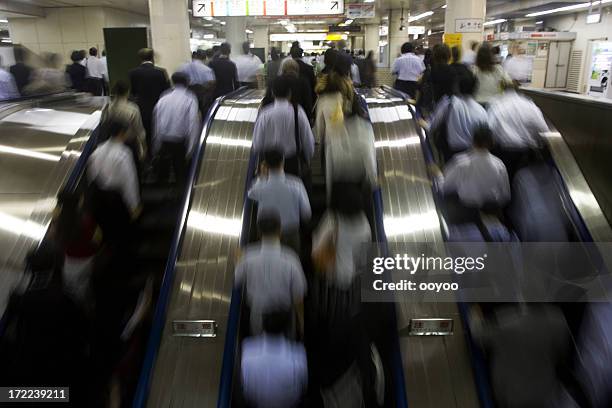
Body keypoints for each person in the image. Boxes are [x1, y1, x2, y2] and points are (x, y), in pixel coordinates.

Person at [234, 210, 307, 335]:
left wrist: (237, 261)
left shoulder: (247, 256)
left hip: (258, 314)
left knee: (259, 348)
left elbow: (237, 280)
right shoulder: (291, 258)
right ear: (280, 231)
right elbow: (298, 295)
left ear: (258, 232)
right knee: (286, 348)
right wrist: (301, 321)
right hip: (284, 315)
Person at [315, 52, 377, 191]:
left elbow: (320, 127)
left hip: (331, 146)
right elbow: (357, 115)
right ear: (348, 69)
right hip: (354, 147)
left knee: (332, 183)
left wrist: (321, 140)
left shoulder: (323, 97)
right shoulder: (349, 92)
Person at [87, 116, 140, 243]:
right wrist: (134, 205)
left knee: (107, 233)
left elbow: (91, 176)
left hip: (100, 199)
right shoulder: (123, 153)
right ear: (122, 132)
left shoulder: (97, 151)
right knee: (121, 233)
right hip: (118, 201)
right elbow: (129, 182)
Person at [241, 310, 308, 408]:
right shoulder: (298, 353)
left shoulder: (247, 348)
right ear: (286, 328)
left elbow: (246, 389)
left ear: (263, 325)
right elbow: (303, 387)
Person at [433, 124, 510, 209]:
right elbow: (505, 196)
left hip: (464, 210)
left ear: (473, 141)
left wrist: (437, 173)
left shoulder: (461, 162)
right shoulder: (500, 165)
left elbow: (444, 188)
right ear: (492, 143)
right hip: (491, 209)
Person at [248, 149, 311, 253]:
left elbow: (251, 194)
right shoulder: (297, 184)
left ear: (266, 164)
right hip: (291, 232)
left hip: (267, 236)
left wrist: (261, 177)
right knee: (292, 262)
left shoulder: (259, 186)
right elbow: (307, 214)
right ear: (282, 162)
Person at [312, 183, 372, 290]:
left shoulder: (332, 221)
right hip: (355, 277)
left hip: (334, 276)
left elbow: (316, 253)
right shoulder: (365, 224)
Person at [252, 76, 314, 176]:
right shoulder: (298, 112)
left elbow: (257, 144)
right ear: (289, 93)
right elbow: (308, 142)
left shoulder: (264, 114)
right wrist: (307, 159)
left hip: (270, 165)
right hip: (293, 164)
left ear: (272, 92)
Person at [152, 72, 200, 192]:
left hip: (164, 141)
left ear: (172, 82)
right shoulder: (190, 98)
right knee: (181, 174)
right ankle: (181, 201)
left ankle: (164, 199)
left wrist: (156, 146)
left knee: (164, 174)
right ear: (187, 82)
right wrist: (191, 149)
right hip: (180, 143)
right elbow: (193, 124)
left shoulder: (163, 97)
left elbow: (156, 122)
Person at [428, 70, 488, 161]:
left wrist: (424, 124)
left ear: (457, 87)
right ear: (475, 88)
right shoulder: (481, 111)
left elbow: (433, 125)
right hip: (472, 152)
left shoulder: (449, 102)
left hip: (450, 151)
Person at [488, 82, 549, 171]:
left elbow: (490, 129)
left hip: (503, 151)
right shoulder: (530, 105)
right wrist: (539, 144)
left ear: (502, 90)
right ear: (519, 90)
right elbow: (543, 129)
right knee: (523, 177)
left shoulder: (496, 104)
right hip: (526, 152)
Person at [129, 48, 170, 152]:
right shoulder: (161, 72)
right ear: (152, 58)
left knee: (145, 131)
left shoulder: (133, 73)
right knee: (158, 131)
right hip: (159, 107)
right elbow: (167, 91)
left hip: (141, 107)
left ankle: (147, 154)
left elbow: (133, 92)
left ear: (140, 58)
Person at [100, 80, 147, 165]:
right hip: (129, 144)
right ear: (127, 92)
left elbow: (103, 125)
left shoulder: (107, 108)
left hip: (111, 145)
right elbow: (139, 131)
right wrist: (144, 147)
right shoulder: (133, 109)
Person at [179, 49, 216, 114]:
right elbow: (211, 82)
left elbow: (179, 78)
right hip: (202, 96)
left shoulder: (183, 66)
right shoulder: (206, 69)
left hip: (187, 94)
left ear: (195, 56)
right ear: (205, 58)